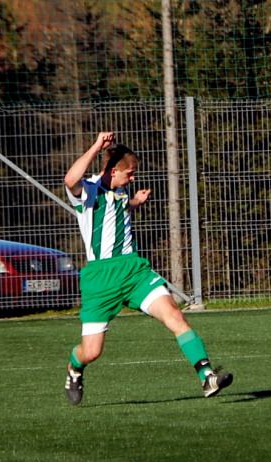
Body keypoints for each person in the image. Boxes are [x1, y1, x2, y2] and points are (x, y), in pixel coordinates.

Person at [63, 132, 232, 405]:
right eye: (129, 174)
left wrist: (135, 202)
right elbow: (70, 180)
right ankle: (74, 367)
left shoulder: (120, 190)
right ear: (113, 170)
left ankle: (207, 376)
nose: (133, 179)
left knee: (174, 316)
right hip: (100, 278)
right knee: (91, 352)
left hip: (134, 271)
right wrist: (96, 146)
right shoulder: (89, 189)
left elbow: (116, 205)